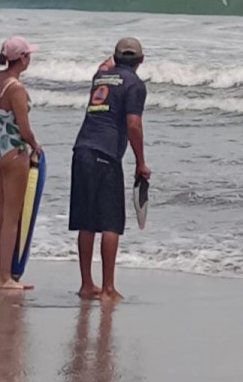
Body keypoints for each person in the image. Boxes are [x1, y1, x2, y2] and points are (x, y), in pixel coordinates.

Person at [69, 38, 150, 301]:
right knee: (110, 222)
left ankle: (86, 284)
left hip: (81, 150)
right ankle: (108, 288)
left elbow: (104, 65)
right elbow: (134, 124)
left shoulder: (100, 77)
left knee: (86, 221)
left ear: (116, 58)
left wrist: (110, 62)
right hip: (106, 154)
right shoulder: (135, 85)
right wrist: (140, 162)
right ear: (141, 60)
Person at [0, 36, 41, 290]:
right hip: (12, 151)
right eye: (29, 54)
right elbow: (24, 130)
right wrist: (36, 146)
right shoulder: (16, 88)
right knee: (12, 217)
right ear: (23, 58)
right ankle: (5, 277)